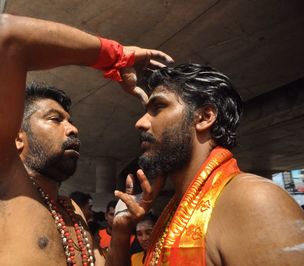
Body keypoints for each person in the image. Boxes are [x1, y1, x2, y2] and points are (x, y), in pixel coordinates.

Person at [0, 13, 172, 265]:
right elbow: (6, 35)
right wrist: (116, 57)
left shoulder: (72, 212)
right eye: (55, 119)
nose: (72, 129)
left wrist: (121, 232)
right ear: (17, 139)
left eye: (71, 121)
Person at [115, 63, 304, 265]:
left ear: (205, 117)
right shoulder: (172, 211)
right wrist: (121, 232)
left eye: (158, 107)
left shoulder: (256, 201)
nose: (140, 123)